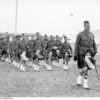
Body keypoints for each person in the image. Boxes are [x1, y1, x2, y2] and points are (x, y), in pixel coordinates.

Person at [74, 21, 97, 89]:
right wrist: (75, 54)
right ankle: (80, 75)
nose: (88, 27)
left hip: (89, 53)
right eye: (87, 25)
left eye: (89, 25)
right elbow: (76, 45)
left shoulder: (92, 34)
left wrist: (95, 50)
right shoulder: (80, 34)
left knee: (88, 68)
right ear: (84, 26)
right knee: (85, 68)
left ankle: (85, 84)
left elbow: (94, 43)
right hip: (82, 53)